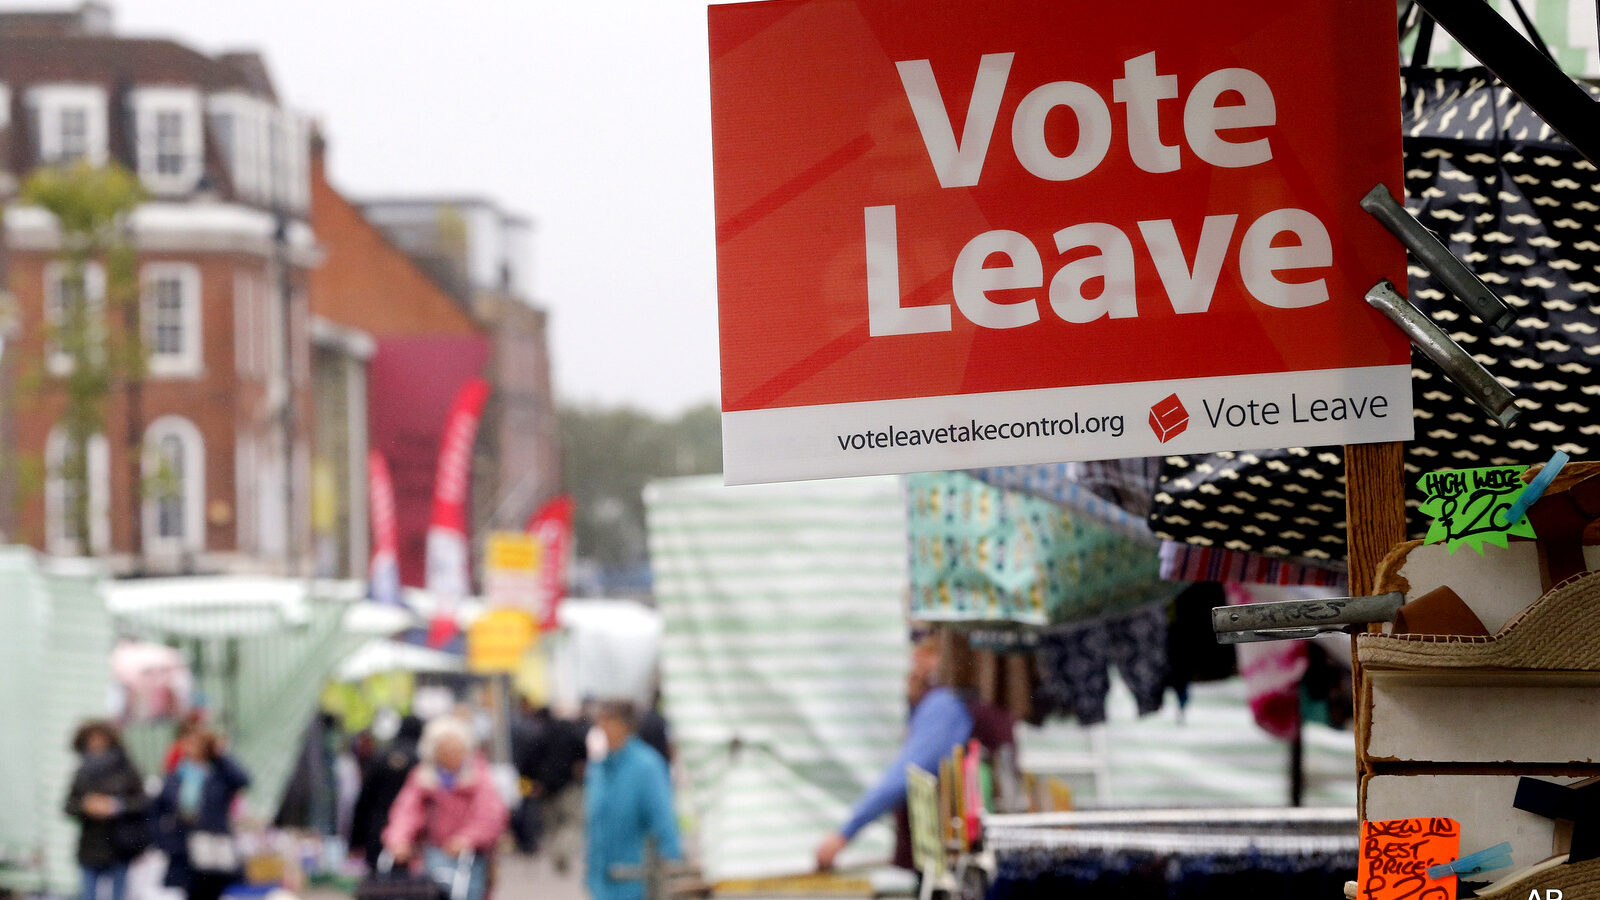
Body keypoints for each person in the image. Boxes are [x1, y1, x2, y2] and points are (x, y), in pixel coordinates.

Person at [815, 637, 976, 871]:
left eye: (925, 651)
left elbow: (906, 775)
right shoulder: (947, 700)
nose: (914, 660)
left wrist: (844, 835)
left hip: (948, 856)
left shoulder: (946, 703)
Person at [382, 717, 508, 900]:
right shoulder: (423, 777)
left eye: (455, 748)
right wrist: (398, 839)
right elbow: (406, 810)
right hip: (431, 854)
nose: (450, 754)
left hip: (470, 857)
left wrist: (467, 838)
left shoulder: (478, 776)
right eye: (445, 749)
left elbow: (490, 814)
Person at [584, 701, 681, 900]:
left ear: (624, 725)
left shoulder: (646, 766)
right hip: (601, 885)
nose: (601, 727)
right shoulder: (598, 768)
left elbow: (664, 823)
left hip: (637, 884)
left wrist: (672, 874)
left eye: (607, 720)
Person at [152, 726, 251, 900]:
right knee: (189, 891)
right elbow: (157, 808)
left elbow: (243, 780)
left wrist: (220, 755)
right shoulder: (177, 775)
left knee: (213, 890)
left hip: (213, 844)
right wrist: (163, 839)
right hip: (184, 846)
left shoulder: (219, 775)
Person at [64, 721, 150, 900]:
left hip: (119, 843)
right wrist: (86, 806)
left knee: (118, 893)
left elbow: (143, 802)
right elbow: (68, 805)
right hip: (91, 844)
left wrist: (116, 806)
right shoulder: (82, 772)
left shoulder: (126, 770)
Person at [350, 715, 423, 869]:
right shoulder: (420, 760)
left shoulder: (381, 756)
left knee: (378, 882)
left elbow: (364, 800)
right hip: (409, 836)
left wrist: (355, 841)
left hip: (377, 826)